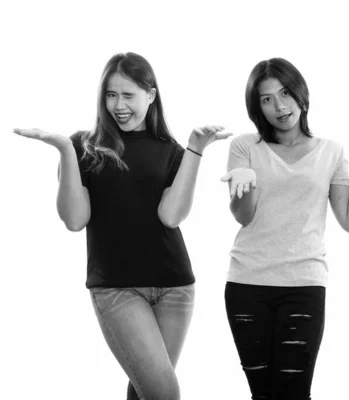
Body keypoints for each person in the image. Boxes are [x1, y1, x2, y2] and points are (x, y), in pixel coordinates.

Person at [13, 52, 231, 400]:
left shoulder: (172, 151)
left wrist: (195, 149)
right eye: (110, 95)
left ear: (151, 94)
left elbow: (171, 217)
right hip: (116, 289)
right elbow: (74, 220)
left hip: (175, 288)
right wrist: (64, 151)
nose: (118, 105)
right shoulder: (83, 145)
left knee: (145, 391)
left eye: (128, 95)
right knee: (163, 393)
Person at [219, 57, 349, 400]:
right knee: (263, 394)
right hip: (247, 283)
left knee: (294, 392)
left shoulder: (332, 151)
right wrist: (246, 183)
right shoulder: (243, 147)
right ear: (257, 107)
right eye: (266, 99)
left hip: (304, 284)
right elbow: (242, 216)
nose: (279, 106)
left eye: (284, 93)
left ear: (300, 93)